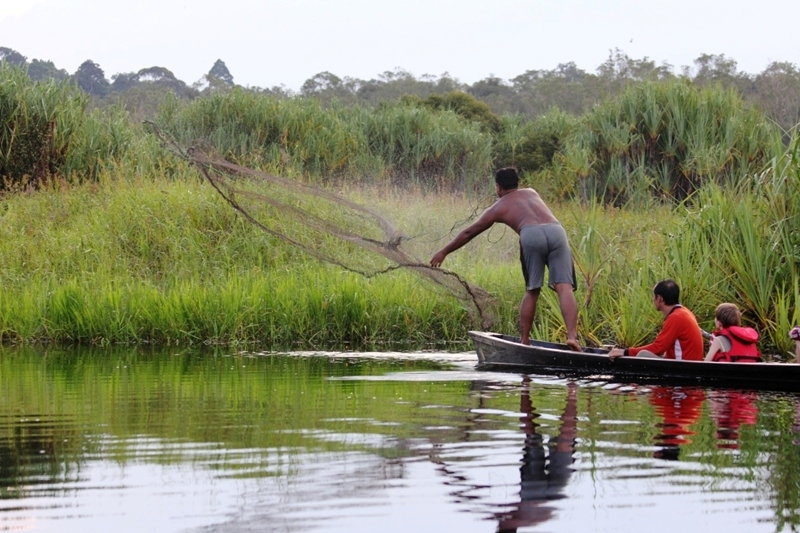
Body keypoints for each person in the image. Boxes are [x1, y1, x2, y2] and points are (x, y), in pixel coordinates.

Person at [429, 167, 580, 350]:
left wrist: (443, 252)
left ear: (498, 187)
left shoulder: (497, 208)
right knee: (564, 288)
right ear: (517, 183)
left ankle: (524, 342)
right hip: (557, 231)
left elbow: (469, 233)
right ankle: (573, 337)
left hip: (531, 234)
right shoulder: (532, 192)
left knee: (532, 290)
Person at [608, 279, 704, 361]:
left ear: (659, 298)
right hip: (686, 362)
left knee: (643, 355)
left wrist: (624, 352)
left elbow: (658, 348)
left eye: (654, 296)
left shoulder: (676, 317)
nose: (652, 299)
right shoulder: (684, 312)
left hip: (684, 366)